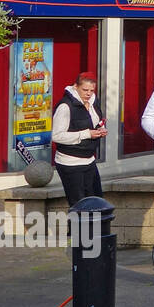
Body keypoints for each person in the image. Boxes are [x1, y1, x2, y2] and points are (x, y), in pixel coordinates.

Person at [51, 73, 107, 207]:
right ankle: (76, 229)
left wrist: (101, 129)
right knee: (79, 206)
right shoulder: (65, 106)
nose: (88, 93)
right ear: (75, 87)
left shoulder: (93, 102)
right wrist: (86, 134)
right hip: (69, 162)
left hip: (89, 160)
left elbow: (96, 121)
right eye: (85, 90)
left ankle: (95, 229)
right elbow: (56, 136)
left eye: (91, 90)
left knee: (96, 202)